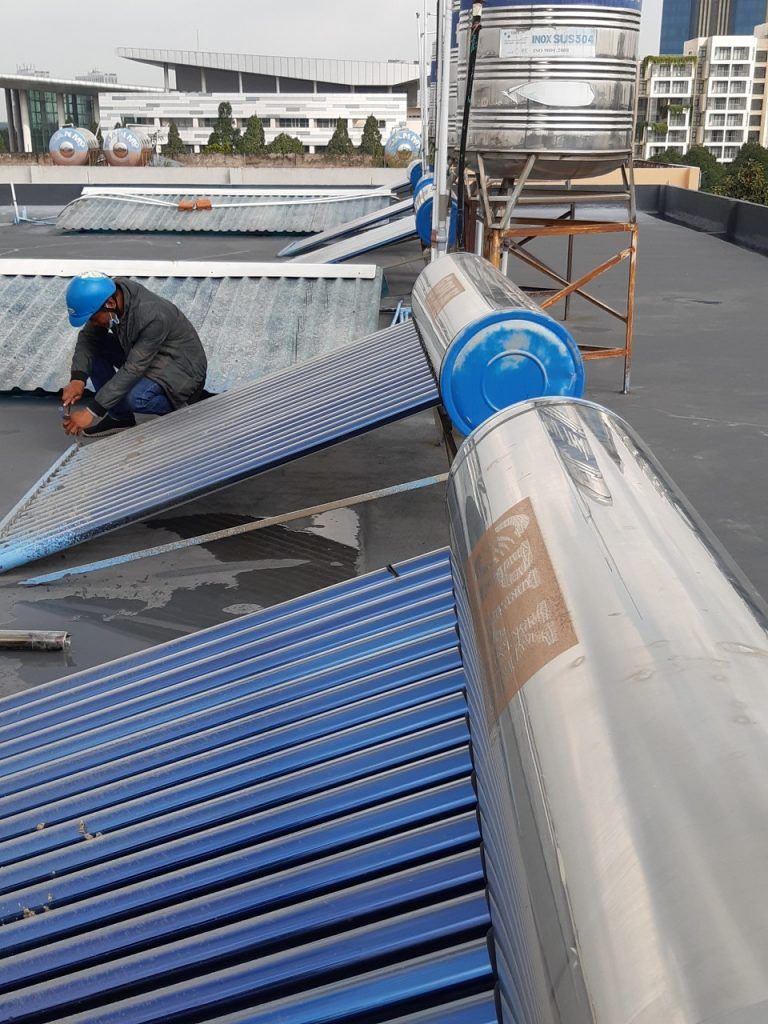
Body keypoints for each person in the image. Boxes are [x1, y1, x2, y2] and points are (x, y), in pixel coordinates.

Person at [60, 271, 208, 438]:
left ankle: (182, 407)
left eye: (93, 319)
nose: (93, 324)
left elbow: (134, 368)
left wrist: (92, 411)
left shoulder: (153, 316)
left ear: (110, 303)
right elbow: (88, 338)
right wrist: (78, 379)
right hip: (147, 354)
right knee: (94, 348)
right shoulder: (111, 296)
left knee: (135, 398)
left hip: (183, 368)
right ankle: (120, 418)